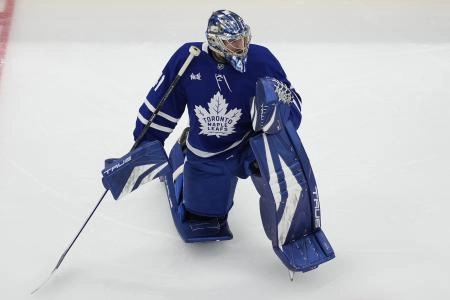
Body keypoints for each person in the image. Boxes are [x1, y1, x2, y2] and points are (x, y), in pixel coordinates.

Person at [130, 9, 334, 272]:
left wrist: (281, 115)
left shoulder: (261, 59)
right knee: (203, 219)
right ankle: (181, 152)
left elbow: (291, 100)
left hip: (253, 146)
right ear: (215, 41)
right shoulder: (188, 59)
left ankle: (296, 235)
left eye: (244, 39)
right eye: (233, 42)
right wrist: (147, 142)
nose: (242, 47)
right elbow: (162, 103)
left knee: (284, 181)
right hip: (209, 152)